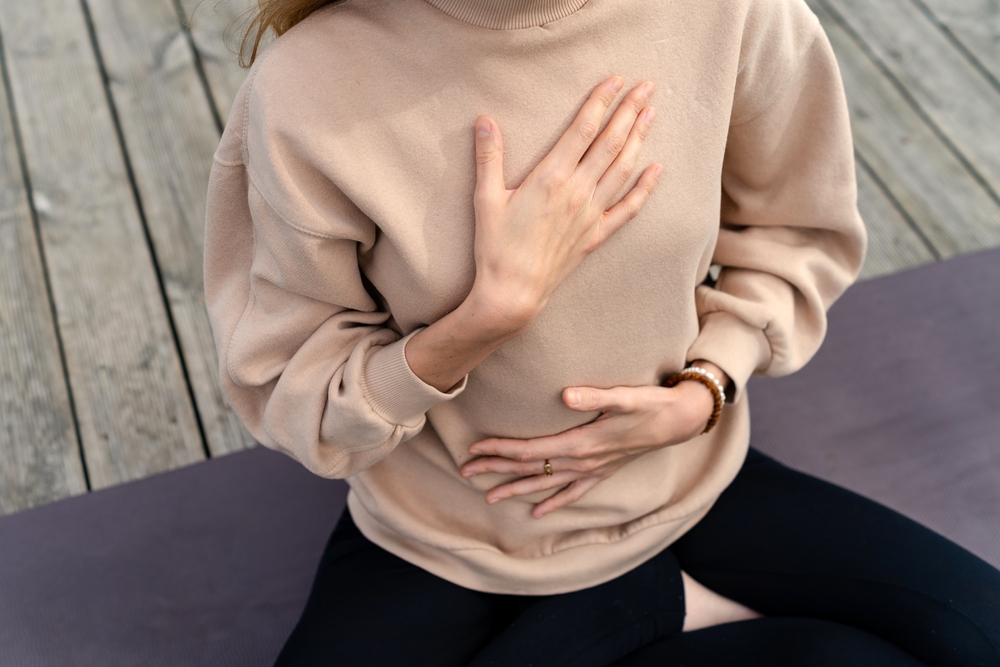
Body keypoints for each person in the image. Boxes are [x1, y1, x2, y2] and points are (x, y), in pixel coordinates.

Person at [202, 0, 1000, 663]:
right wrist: (484, 320)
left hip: (687, 479)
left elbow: (796, 235)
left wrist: (705, 388)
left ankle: (633, 605)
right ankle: (651, 604)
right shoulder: (306, 89)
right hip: (445, 532)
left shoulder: (729, 12)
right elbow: (289, 385)